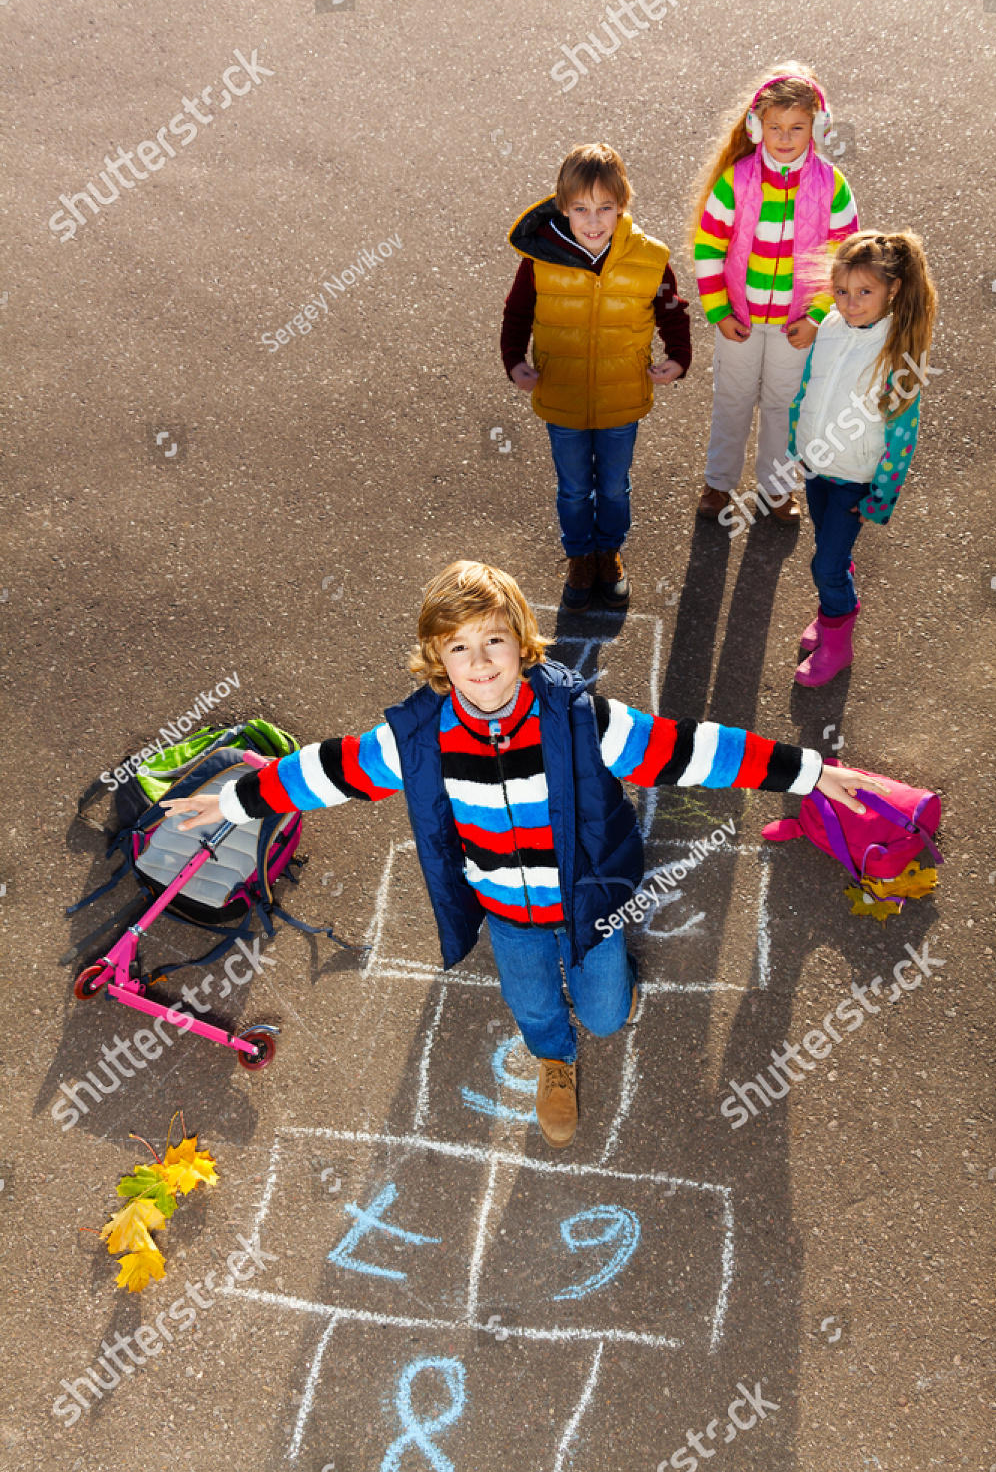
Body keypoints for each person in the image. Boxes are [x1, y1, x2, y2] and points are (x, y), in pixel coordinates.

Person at [163, 561, 884, 1150]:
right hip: (505, 913)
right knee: (535, 1006)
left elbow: (693, 750)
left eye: (493, 642)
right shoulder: (417, 740)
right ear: (437, 660)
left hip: (588, 905)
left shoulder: (578, 721)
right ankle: (553, 1061)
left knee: (605, 1013)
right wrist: (230, 802)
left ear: (522, 643)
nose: (479, 664)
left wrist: (811, 771)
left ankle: (608, 984)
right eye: (459, 648)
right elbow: (328, 771)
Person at [501, 143, 691, 612]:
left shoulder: (649, 258)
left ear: (622, 205)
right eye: (581, 208)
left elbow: (672, 310)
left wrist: (679, 356)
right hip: (562, 396)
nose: (593, 220)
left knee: (612, 485)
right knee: (572, 487)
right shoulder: (541, 258)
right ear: (563, 207)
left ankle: (608, 551)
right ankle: (580, 556)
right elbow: (518, 312)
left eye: (605, 207)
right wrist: (514, 360)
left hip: (621, 398)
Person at [690, 62, 858, 526]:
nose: (785, 138)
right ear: (756, 126)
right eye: (775, 127)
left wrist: (818, 315)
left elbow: (842, 258)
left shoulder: (832, 186)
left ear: (816, 128)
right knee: (733, 400)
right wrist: (718, 309)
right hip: (738, 320)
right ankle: (718, 482)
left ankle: (777, 489)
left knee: (785, 406)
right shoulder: (737, 179)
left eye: (797, 127)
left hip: (795, 325)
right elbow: (709, 246)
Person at [785, 229, 937, 685]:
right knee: (827, 552)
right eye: (842, 291)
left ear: (892, 290)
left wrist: (882, 496)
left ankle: (838, 640)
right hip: (818, 467)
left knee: (826, 563)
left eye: (864, 292)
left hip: (856, 477)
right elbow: (809, 387)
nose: (850, 303)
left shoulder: (898, 349)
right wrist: (799, 440)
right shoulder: (830, 325)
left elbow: (902, 433)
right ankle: (834, 601)